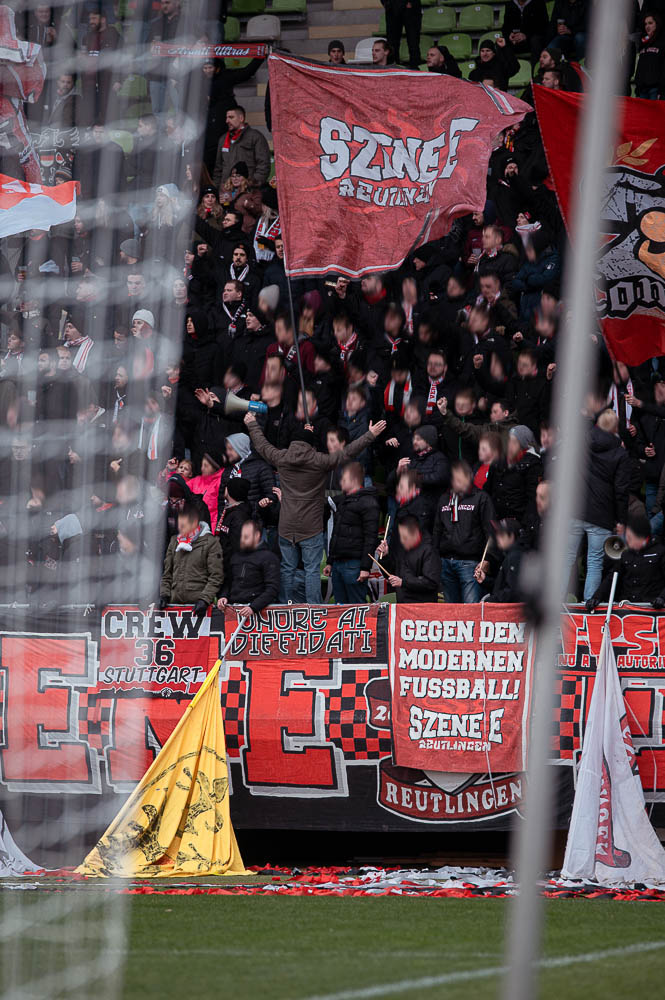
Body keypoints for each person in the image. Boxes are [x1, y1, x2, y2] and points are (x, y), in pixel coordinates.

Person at [243, 412, 386, 604]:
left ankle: (286, 605)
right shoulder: (320, 460)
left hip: (286, 525)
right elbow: (348, 452)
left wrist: (252, 423)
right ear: (312, 445)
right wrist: (370, 434)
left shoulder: (281, 457)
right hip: (311, 526)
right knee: (311, 569)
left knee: (287, 568)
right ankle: (314, 609)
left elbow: (261, 445)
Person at [564, 408, 631, 601]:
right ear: (615, 427)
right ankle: (589, 607)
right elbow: (621, 491)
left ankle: (555, 604)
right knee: (594, 563)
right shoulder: (620, 453)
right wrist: (621, 520)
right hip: (602, 514)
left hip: (575, 509)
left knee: (566, 560)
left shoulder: (579, 444)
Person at [433, 459, 495, 604]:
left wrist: (488, 559)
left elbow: (490, 532)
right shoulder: (444, 499)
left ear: (469, 477)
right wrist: (435, 559)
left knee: (471, 611)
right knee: (450, 611)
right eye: (454, 478)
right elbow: (437, 530)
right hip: (446, 562)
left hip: (470, 563)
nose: (457, 482)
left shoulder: (481, 498)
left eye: (460, 478)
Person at [325, 462, 380, 604]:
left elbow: (371, 538)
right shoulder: (342, 501)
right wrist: (330, 562)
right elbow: (335, 534)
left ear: (354, 480)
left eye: (344, 478)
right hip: (338, 565)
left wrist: (365, 568)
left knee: (357, 609)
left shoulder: (369, 503)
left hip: (354, 566)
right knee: (339, 608)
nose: (341, 481)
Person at [586, 513, 665, 611]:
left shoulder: (659, 552)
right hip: (627, 609)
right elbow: (612, 578)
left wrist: (662, 598)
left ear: (641, 536)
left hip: (650, 608)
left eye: (630, 537)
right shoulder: (626, 554)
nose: (627, 540)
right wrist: (596, 597)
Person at [159, 502, 224, 614]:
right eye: (178, 525)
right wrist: (164, 595)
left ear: (194, 523)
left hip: (199, 608)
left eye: (183, 525)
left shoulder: (211, 543)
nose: (179, 529)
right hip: (174, 606)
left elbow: (216, 576)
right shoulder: (174, 541)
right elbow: (167, 574)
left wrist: (204, 599)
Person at [217, 519, 280, 617]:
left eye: (246, 537)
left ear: (257, 536)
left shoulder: (269, 557)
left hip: (258, 612)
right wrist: (223, 596)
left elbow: (272, 589)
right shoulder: (235, 556)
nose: (242, 539)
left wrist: (253, 607)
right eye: (242, 536)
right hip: (234, 610)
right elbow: (228, 582)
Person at [212, 105, 271, 189]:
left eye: (231, 117)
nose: (227, 121)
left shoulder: (255, 137)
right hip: (226, 191)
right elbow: (218, 168)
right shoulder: (223, 139)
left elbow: (263, 165)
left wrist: (253, 184)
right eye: (226, 118)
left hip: (248, 190)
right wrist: (217, 188)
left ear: (241, 118)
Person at [387, 516, 440, 603]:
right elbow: (391, 574)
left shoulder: (429, 551)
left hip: (422, 607)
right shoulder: (402, 550)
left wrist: (403, 582)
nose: (402, 540)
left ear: (416, 533)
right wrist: (385, 556)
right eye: (401, 537)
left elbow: (431, 583)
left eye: (405, 537)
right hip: (403, 605)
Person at [477, 518, 524, 603]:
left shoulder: (515, 557)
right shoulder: (509, 555)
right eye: (497, 534)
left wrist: (489, 601)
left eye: (501, 534)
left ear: (512, 536)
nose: (497, 538)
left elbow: (511, 592)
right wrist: (485, 580)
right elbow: (501, 586)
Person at [382, 0, 422, 69]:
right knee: (392, 43)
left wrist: (412, 3)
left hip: (411, 9)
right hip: (392, 8)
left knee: (413, 43)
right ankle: (392, 70)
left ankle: (415, 70)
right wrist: (386, 3)